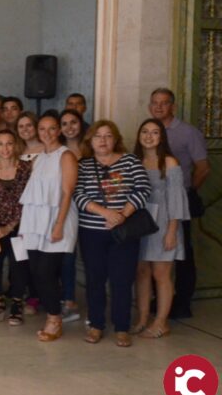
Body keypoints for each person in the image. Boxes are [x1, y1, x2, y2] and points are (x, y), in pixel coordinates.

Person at [74, 120, 151, 347]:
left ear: (115, 139)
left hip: (124, 232)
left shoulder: (130, 161)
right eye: (98, 136)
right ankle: (96, 325)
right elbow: (78, 195)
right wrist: (106, 213)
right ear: (91, 140)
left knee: (122, 280)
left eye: (108, 136)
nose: (103, 140)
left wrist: (122, 215)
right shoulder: (84, 165)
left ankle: (122, 327)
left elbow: (143, 189)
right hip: (91, 232)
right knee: (95, 279)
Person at [148, 88, 210, 319]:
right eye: (155, 103)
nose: (159, 107)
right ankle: (158, 299)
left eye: (164, 103)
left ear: (172, 106)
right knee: (155, 252)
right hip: (154, 204)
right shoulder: (148, 131)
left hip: (177, 202)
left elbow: (203, 168)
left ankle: (182, 302)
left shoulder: (187, 132)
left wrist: (188, 192)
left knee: (181, 254)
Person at [18, 112, 78, 342]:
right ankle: (53, 314)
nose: (47, 133)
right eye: (42, 129)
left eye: (51, 128)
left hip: (56, 220)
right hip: (36, 221)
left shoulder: (66, 156)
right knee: (35, 271)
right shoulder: (39, 158)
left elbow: (67, 193)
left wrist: (59, 224)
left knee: (46, 272)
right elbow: (34, 195)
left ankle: (54, 318)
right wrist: (26, 225)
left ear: (59, 131)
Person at [132, 118, 189, 339]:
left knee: (161, 274)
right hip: (140, 224)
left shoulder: (170, 163)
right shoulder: (134, 161)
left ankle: (161, 321)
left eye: (155, 132)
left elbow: (177, 200)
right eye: (145, 131)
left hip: (164, 224)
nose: (149, 136)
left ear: (161, 137)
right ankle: (143, 318)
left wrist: (172, 230)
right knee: (142, 272)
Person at [0, 130, 32, 325]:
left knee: (19, 265)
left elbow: (26, 203)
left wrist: (9, 227)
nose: (5, 148)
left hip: (20, 227)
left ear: (15, 144)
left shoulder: (25, 169)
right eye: (0, 144)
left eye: (9, 143)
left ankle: (17, 303)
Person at [58, 107, 87, 322]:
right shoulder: (58, 151)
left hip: (90, 211)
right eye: (65, 124)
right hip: (65, 210)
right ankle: (69, 301)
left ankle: (96, 307)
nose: (69, 127)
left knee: (89, 260)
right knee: (66, 258)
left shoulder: (90, 150)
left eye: (73, 122)